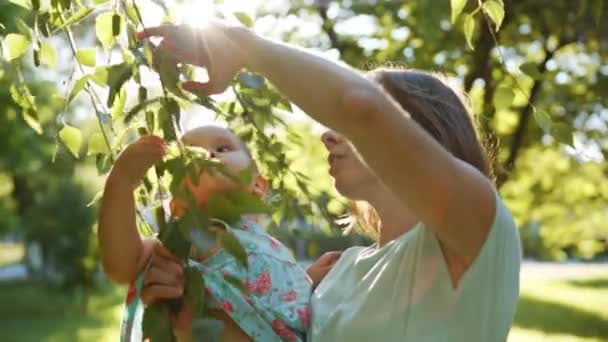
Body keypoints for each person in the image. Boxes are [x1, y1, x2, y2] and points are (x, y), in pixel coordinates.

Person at [135, 20, 522, 341]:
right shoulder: (340, 270)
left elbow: (359, 106)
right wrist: (190, 313)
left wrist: (239, 45)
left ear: (424, 134)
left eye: (344, 127)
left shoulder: (478, 231)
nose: (327, 134)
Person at [98, 126, 324, 341]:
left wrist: (306, 280)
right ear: (178, 206)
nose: (208, 154)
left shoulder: (269, 245)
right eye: (187, 156)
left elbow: (274, 298)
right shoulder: (189, 236)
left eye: (223, 148)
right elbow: (123, 263)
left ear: (258, 185)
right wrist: (121, 182)